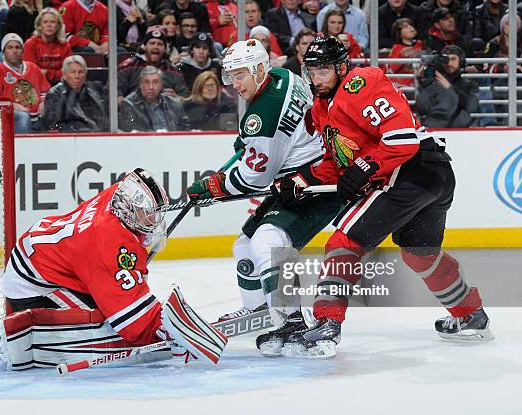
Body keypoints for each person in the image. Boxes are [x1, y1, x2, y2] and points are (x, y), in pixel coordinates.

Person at [275, 36, 493, 358]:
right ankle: (470, 315)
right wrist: (303, 179)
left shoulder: (362, 83)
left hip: (412, 171)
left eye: (323, 71)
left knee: (344, 242)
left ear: (341, 67)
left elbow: (402, 139)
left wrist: (366, 167)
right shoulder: (322, 108)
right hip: (432, 177)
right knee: (419, 254)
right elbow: (340, 162)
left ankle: (326, 324)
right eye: (312, 72)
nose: (316, 79)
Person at [185, 39, 341, 357]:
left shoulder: (262, 116)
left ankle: (294, 320)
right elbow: (274, 137)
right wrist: (250, 143)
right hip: (298, 175)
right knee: (244, 244)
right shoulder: (284, 77)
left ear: (259, 69)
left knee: (267, 241)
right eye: (230, 75)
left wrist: (214, 185)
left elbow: (255, 178)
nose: (235, 83)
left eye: (240, 75)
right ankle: (257, 311)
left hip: (311, 184)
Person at [0, 168, 225, 369]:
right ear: (127, 210)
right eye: (146, 214)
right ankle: (28, 337)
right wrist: (166, 332)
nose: (152, 221)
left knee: (113, 304)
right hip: (36, 283)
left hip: (49, 255)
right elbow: (136, 325)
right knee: (110, 328)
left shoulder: (119, 195)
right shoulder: (108, 243)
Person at [0, 33, 50, 133]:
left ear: (22, 50)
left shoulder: (33, 68)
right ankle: (23, 147)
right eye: (10, 47)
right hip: (10, 118)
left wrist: (43, 103)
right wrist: (10, 105)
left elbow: (46, 92)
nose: (14, 51)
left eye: (18, 47)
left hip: (36, 115)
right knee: (23, 117)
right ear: (3, 51)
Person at [117, 26, 189, 102]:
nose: (156, 47)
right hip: (132, 111)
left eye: (160, 44)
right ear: (144, 46)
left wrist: (177, 98)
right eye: (152, 43)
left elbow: (184, 97)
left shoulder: (174, 72)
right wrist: (126, 105)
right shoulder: (128, 66)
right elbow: (113, 92)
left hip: (165, 112)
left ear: (165, 49)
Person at [415, 44, 479, 127]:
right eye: (445, 59)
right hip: (435, 129)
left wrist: (449, 87)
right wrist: (421, 83)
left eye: (453, 59)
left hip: (460, 130)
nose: (449, 63)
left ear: (461, 61)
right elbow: (422, 108)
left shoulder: (469, 84)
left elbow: (471, 106)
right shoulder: (432, 82)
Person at [42, 55, 108, 132]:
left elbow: (104, 120)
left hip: (98, 136)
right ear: (64, 74)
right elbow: (53, 126)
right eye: (73, 72)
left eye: (80, 72)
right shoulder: (54, 94)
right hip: (71, 138)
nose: (77, 76)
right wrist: (84, 131)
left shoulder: (93, 90)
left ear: (85, 75)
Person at [118, 66, 190, 132]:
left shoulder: (173, 103)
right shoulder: (128, 104)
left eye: (155, 82)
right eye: (147, 82)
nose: (151, 87)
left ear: (161, 84)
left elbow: (185, 130)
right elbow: (135, 133)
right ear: (140, 84)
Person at [23, 7, 72, 85]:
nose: (49, 25)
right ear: (39, 25)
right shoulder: (30, 44)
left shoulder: (65, 45)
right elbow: (31, 72)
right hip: (36, 85)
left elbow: (69, 72)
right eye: (45, 22)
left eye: (53, 22)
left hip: (60, 85)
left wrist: (47, 73)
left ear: (58, 25)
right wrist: (56, 74)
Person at [388, 18, 423, 86]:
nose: (410, 28)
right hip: (403, 84)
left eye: (411, 25)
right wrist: (401, 56)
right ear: (399, 33)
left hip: (419, 81)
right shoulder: (396, 48)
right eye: (405, 27)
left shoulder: (420, 44)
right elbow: (390, 70)